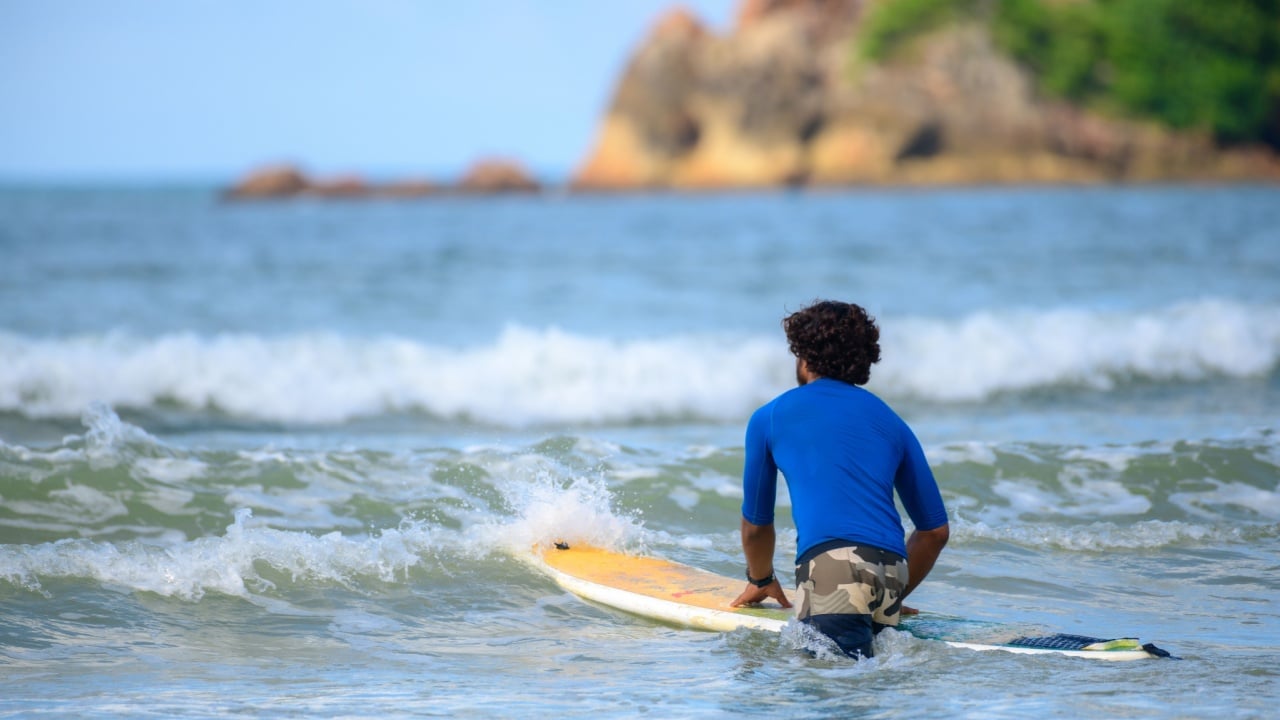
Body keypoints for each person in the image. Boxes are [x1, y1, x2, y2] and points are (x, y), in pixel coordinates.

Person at [730, 300, 949, 659]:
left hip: (834, 570)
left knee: (828, 696)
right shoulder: (892, 421)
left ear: (803, 357)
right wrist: (889, 589)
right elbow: (935, 532)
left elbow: (756, 526)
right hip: (892, 573)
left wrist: (761, 579)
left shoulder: (770, 416)